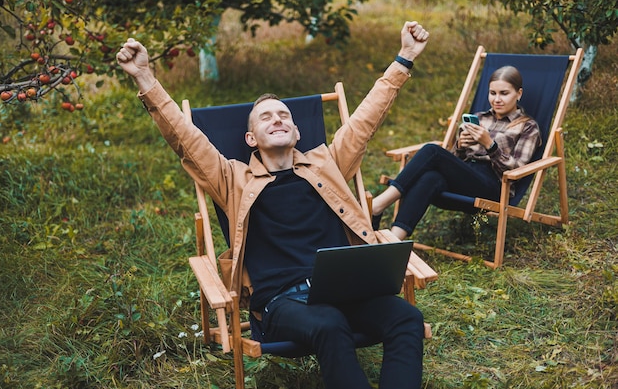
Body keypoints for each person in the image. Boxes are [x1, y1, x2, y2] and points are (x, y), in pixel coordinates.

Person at [117, 21, 430, 389]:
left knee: (406, 318)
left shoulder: (327, 164)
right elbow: (185, 139)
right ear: (251, 138)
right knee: (329, 324)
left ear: (297, 133)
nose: (277, 119)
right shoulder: (232, 179)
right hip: (283, 304)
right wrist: (145, 78)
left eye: (284, 116)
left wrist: (405, 57)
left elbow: (365, 120)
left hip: (346, 290)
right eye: (266, 117)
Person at [371, 65, 542, 240]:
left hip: (493, 186)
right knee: (431, 178)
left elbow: (516, 172)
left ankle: (378, 205)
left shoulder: (527, 127)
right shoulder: (480, 117)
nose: (497, 99)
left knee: (432, 151)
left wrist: (490, 145)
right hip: (466, 176)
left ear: (518, 94)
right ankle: (393, 241)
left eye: (504, 93)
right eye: (492, 93)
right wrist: (460, 146)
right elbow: (453, 161)